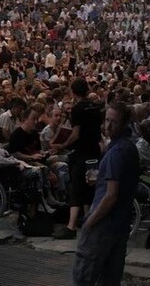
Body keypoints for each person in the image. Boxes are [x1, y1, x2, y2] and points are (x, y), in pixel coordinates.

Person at [73, 103, 139, 286]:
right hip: (121, 225)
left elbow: (111, 196)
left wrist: (89, 221)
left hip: (104, 225)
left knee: (83, 277)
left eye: (114, 122)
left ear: (124, 123)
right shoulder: (129, 147)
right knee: (110, 278)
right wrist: (100, 178)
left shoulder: (116, 153)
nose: (108, 126)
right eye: (107, 120)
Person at [54, 79, 103, 239]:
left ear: (73, 91)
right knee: (91, 185)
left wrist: (63, 145)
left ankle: (71, 226)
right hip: (95, 152)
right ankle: (89, 221)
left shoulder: (77, 109)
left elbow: (75, 134)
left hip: (81, 153)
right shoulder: (96, 107)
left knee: (76, 188)